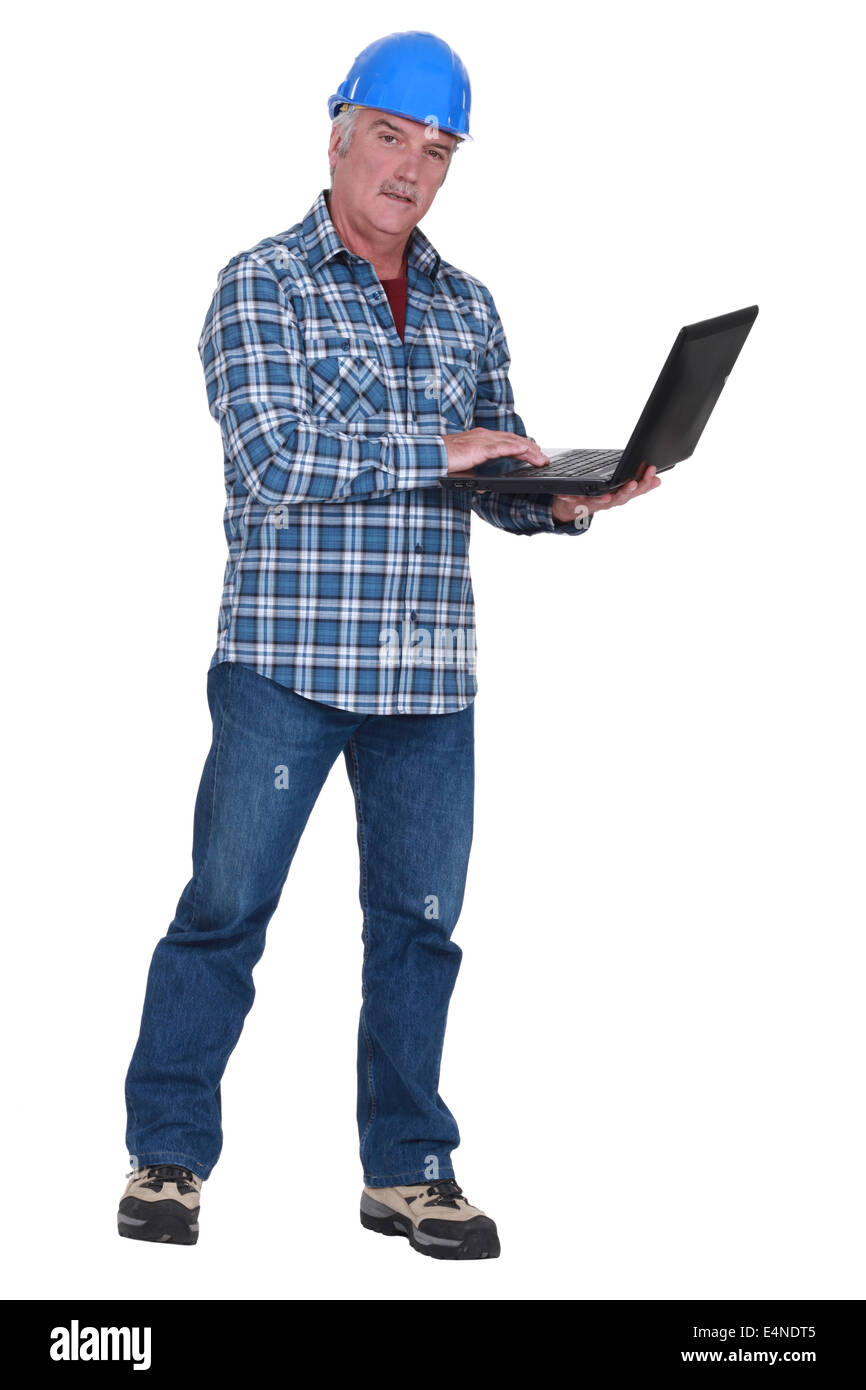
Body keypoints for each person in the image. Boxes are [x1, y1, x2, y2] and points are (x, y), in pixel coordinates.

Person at [118, 29, 659, 1261]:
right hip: (285, 665)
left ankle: (407, 1171)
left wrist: (564, 496)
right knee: (225, 908)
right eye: (393, 139)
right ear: (339, 134)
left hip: (428, 674)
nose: (411, 170)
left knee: (418, 927)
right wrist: (442, 451)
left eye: (438, 149)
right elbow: (270, 461)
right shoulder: (260, 283)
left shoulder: (469, 304)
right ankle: (167, 1153)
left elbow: (496, 468)